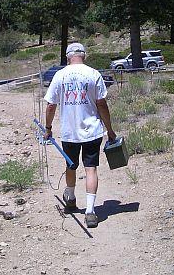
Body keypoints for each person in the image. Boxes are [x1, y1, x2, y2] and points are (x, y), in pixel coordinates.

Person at [43, 42, 116, 228]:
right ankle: (90, 211)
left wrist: (48, 127)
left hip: (70, 131)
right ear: (84, 55)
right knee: (91, 168)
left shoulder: (60, 75)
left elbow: (51, 105)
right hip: (92, 130)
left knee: (71, 165)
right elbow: (102, 104)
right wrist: (109, 129)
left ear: (68, 57)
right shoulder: (93, 74)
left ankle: (71, 197)